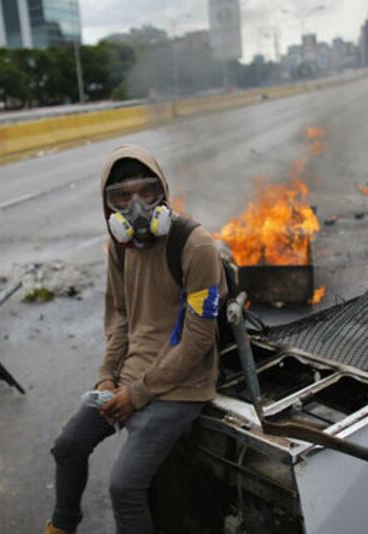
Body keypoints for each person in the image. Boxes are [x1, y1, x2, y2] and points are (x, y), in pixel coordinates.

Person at [45, 145, 226, 534]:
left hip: (183, 385)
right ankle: (62, 526)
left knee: (125, 487)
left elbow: (198, 339)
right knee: (68, 446)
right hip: (131, 378)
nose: (136, 205)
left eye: (146, 192)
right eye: (122, 197)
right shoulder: (119, 247)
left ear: (162, 191)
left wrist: (139, 394)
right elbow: (120, 319)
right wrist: (106, 378)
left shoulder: (195, 246)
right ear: (108, 203)